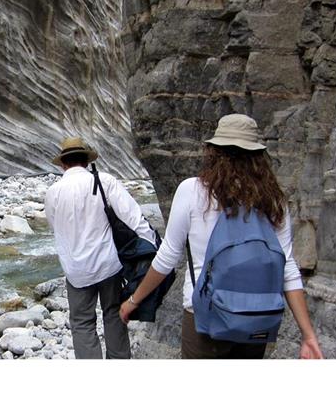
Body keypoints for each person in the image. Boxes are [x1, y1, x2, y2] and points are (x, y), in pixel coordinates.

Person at [118, 114, 324, 359]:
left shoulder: (192, 191)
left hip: (204, 316)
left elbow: (167, 257)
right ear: (258, 156)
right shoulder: (274, 200)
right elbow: (288, 268)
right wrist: (308, 335)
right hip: (257, 318)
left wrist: (134, 299)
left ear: (213, 151)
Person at [45, 136, 156, 359]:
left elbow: (54, 226)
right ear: (86, 161)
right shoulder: (104, 181)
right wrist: (152, 245)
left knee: (82, 322)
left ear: (64, 164)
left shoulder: (53, 192)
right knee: (114, 314)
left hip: (76, 270)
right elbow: (133, 216)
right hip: (108, 264)